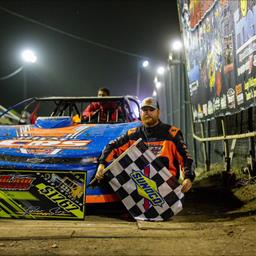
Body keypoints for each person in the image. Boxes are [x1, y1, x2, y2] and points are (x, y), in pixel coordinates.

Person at [95, 96, 195, 193]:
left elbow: (186, 158)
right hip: (140, 188)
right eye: (144, 110)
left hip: (167, 188)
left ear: (158, 112)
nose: (147, 112)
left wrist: (188, 178)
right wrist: (101, 164)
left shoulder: (172, 133)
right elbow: (112, 146)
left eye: (151, 109)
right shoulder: (132, 134)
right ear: (140, 113)